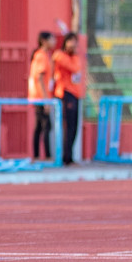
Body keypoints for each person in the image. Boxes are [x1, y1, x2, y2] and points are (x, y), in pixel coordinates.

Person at [52, 32, 85, 166]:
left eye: (75, 41)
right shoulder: (59, 55)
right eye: (70, 41)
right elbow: (71, 67)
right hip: (65, 93)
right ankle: (66, 157)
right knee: (68, 126)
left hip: (76, 93)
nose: (74, 44)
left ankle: (69, 155)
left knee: (74, 126)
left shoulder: (75, 57)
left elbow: (77, 68)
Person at [27, 31, 56, 161]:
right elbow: (39, 78)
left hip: (39, 96)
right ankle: (46, 156)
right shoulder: (41, 56)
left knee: (39, 127)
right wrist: (45, 100)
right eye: (51, 39)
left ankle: (38, 156)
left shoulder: (42, 55)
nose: (54, 42)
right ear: (44, 41)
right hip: (40, 97)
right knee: (46, 126)